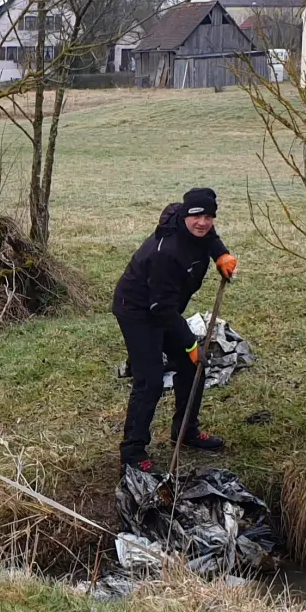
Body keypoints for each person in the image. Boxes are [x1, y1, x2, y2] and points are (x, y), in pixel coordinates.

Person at [112, 187, 239, 472]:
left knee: (194, 368)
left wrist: (221, 255)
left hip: (164, 308)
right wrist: (190, 344)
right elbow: (162, 310)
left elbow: (209, 238)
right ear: (184, 215)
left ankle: (186, 431)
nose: (203, 222)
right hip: (137, 311)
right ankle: (132, 452)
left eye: (209, 217)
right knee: (151, 381)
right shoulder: (166, 252)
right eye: (197, 216)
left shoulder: (199, 231)